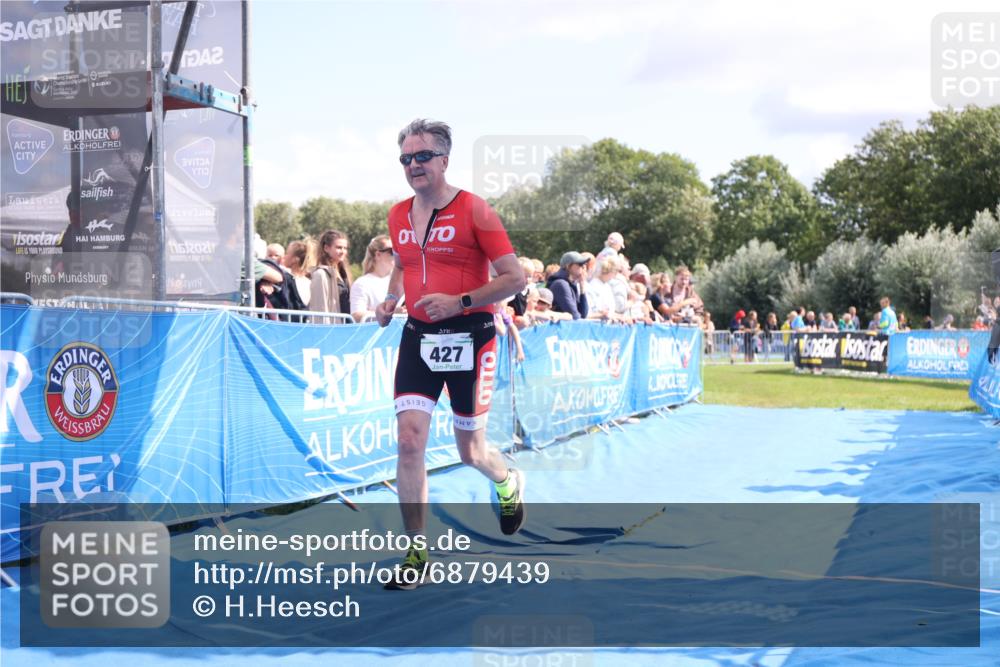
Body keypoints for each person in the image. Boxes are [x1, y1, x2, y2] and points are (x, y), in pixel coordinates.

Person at [374, 119, 527, 590]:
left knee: (470, 451)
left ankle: (506, 481)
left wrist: (459, 301)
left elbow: (515, 278)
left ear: (444, 159)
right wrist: (392, 297)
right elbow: (402, 261)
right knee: (409, 440)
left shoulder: (475, 210)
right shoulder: (398, 215)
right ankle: (417, 551)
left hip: (471, 333)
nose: (413, 166)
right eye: (405, 158)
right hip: (418, 336)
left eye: (422, 157)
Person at [310, 229, 352, 323]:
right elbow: (320, 309)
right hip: (331, 329)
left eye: (345, 248)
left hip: (346, 327)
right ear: (326, 248)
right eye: (338, 247)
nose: (343, 251)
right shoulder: (320, 275)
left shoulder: (343, 273)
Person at [350, 234, 394, 322]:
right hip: (375, 334)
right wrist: (392, 313)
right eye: (392, 251)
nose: (397, 255)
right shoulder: (362, 283)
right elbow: (357, 315)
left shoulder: (398, 282)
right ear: (378, 255)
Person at [547, 251, 589, 319]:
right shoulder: (560, 284)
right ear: (568, 266)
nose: (583, 267)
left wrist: (582, 286)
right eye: (580, 264)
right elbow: (575, 316)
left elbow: (583, 314)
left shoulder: (571, 284)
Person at [283, 239, 315, 310]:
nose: (284, 256)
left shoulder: (287, 279)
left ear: (295, 259)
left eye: (287, 253)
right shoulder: (310, 282)